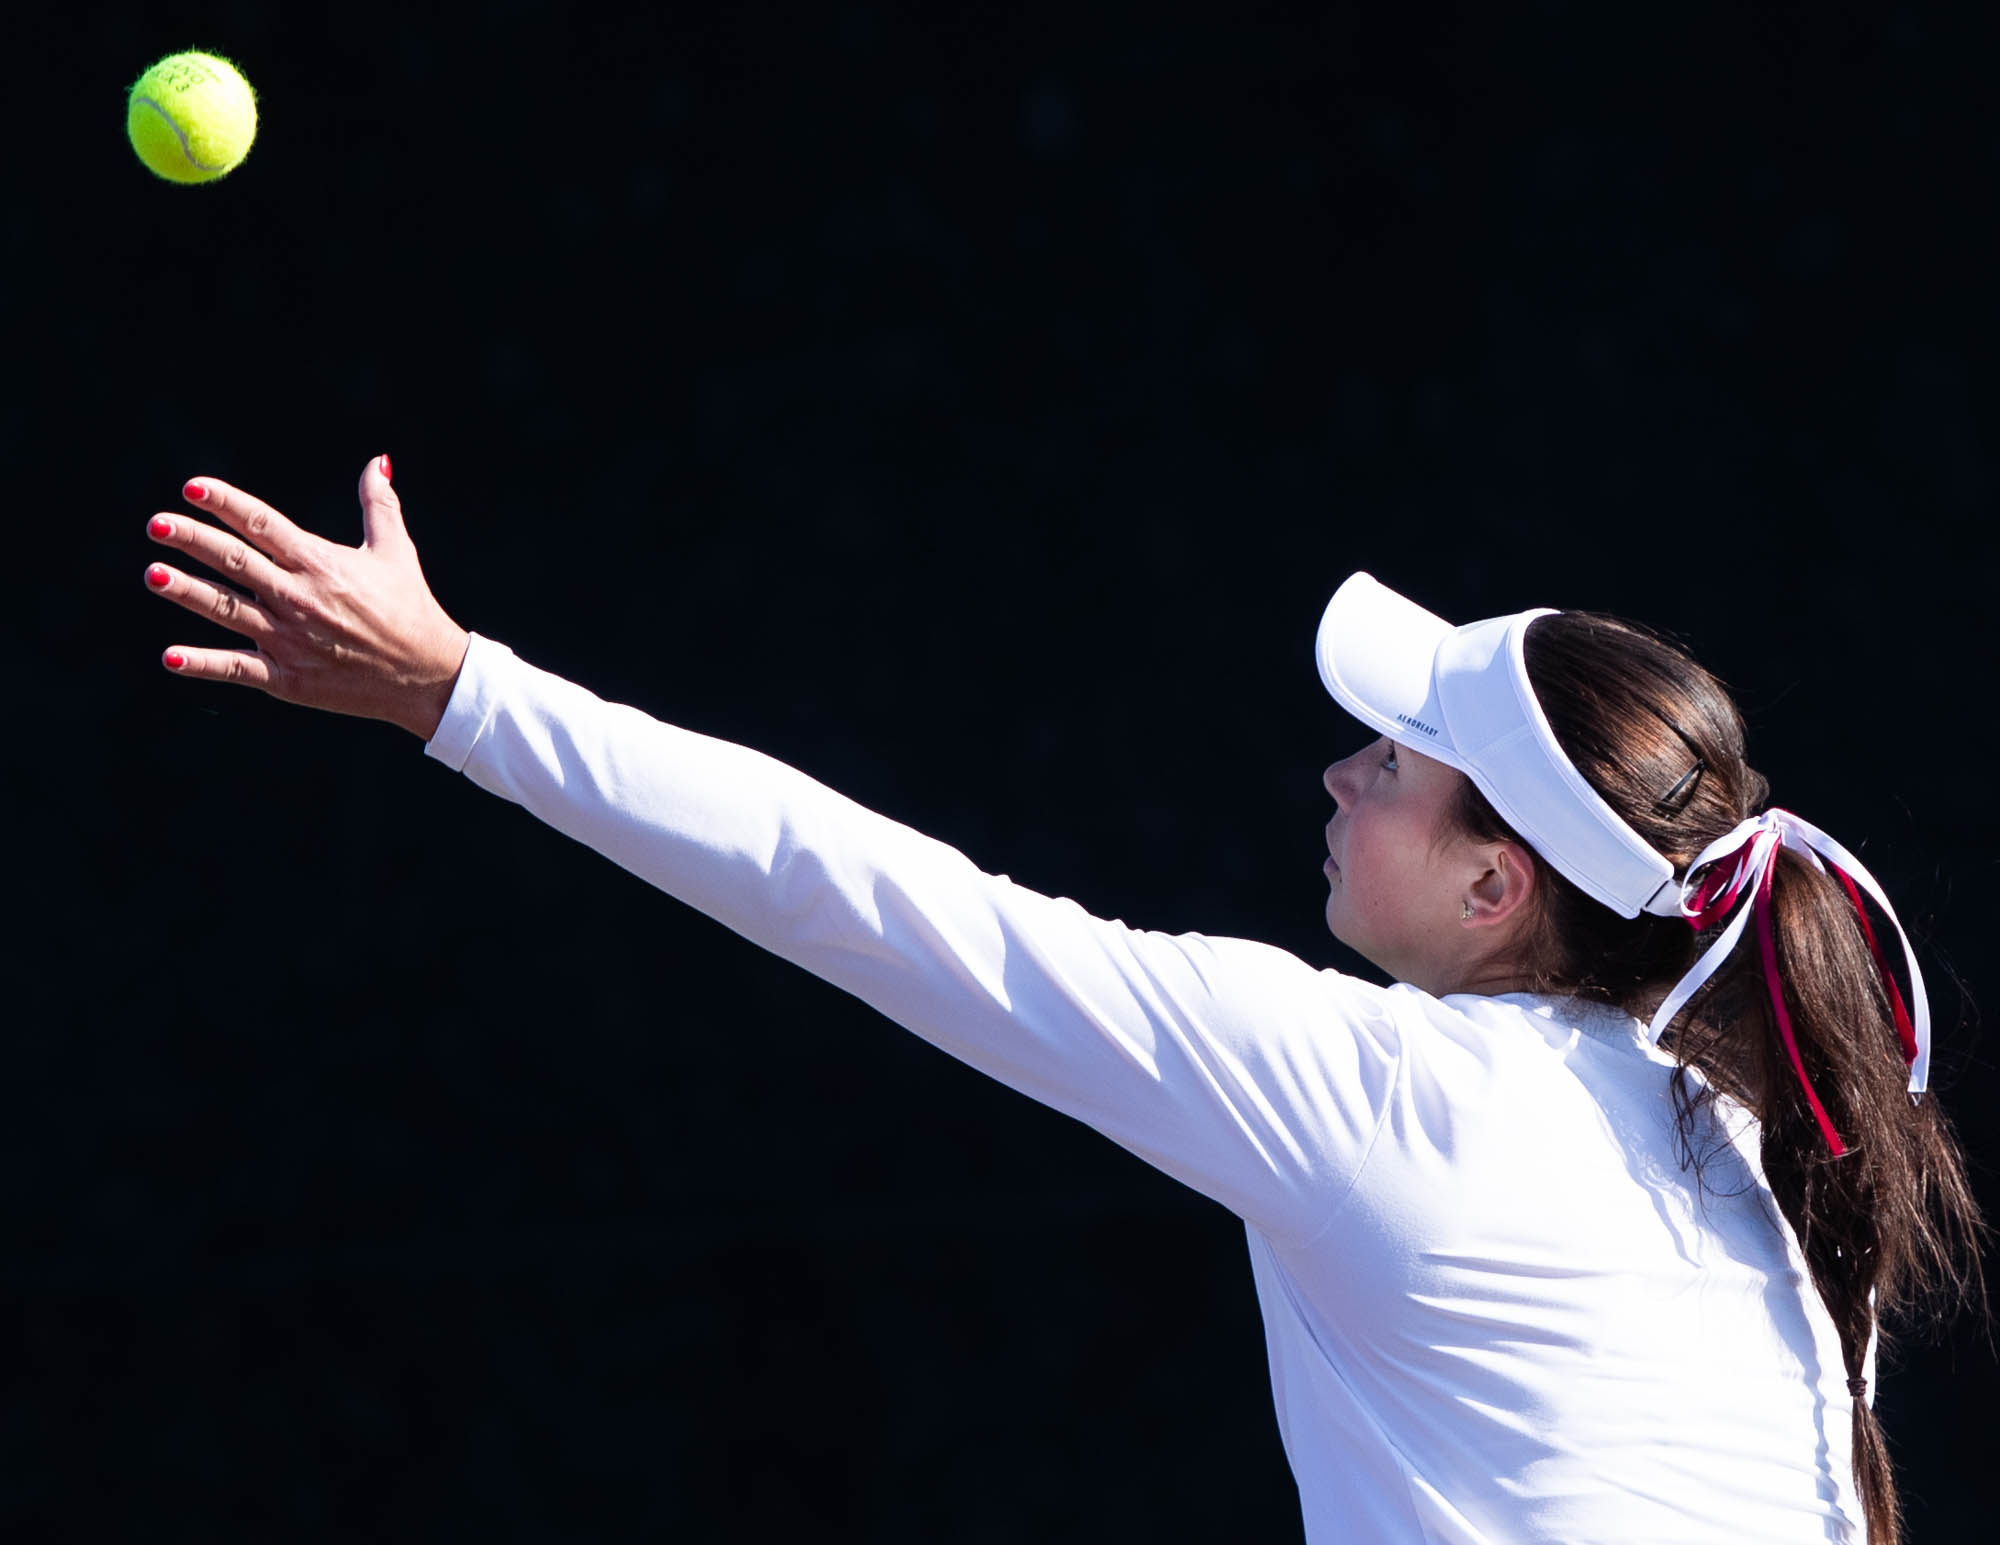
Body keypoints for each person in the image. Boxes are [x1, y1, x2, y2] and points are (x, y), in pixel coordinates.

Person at [142, 457, 1983, 1544]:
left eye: (1394, 765)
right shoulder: (1774, 1158)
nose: (1340, 774)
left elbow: (872, 897)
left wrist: (459, 689)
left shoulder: (1393, 1091)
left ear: (1502, 889)